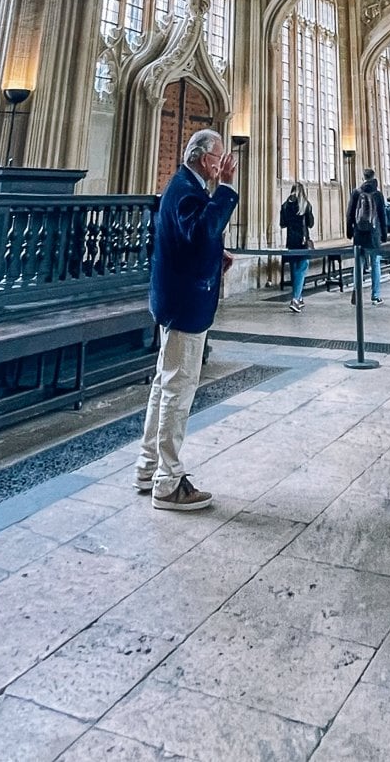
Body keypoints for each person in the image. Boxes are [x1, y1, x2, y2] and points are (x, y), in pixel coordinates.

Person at [134, 129, 238, 511]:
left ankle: (149, 469)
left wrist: (216, 256)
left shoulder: (184, 187)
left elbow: (193, 241)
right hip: (184, 305)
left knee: (165, 386)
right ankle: (168, 481)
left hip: (178, 299)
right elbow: (200, 230)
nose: (222, 164)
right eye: (218, 158)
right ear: (202, 158)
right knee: (178, 390)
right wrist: (226, 190)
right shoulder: (187, 189)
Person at [348, 167, 388, 303]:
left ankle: (356, 294)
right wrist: (384, 233)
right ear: (373, 177)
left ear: (363, 178)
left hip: (359, 233)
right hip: (374, 234)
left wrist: (349, 231)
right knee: (375, 263)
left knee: (358, 264)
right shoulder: (377, 194)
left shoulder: (356, 193)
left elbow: (350, 214)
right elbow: (383, 215)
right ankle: (375, 296)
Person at [280, 182, 314, 313]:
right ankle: (295, 299)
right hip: (302, 241)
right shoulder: (305, 204)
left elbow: (282, 224)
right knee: (302, 268)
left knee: (295, 270)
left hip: (291, 241)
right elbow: (310, 224)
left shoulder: (285, 205)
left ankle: (299, 297)